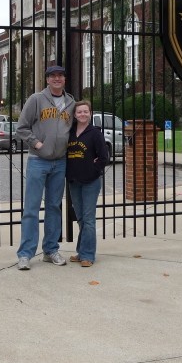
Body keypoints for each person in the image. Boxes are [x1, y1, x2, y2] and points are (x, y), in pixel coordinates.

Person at [15, 65, 75, 270]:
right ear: (47, 79)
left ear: (64, 79)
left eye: (60, 75)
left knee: (54, 207)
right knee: (31, 209)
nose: (57, 79)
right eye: (53, 76)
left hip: (60, 162)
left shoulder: (71, 102)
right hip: (38, 161)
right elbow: (21, 128)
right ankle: (25, 254)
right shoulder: (36, 99)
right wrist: (36, 143)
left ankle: (50, 250)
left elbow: (74, 129)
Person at [66, 100, 109, 267]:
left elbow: (104, 157)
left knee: (89, 219)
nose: (82, 114)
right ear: (75, 115)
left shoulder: (95, 133)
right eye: (79, 112)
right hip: (74, 182)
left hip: (91, 182)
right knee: (81, 219)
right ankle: (81, 251)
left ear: (90, 113)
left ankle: (88, 256)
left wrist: (94, 169)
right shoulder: (69, 133)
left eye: (85, 111)